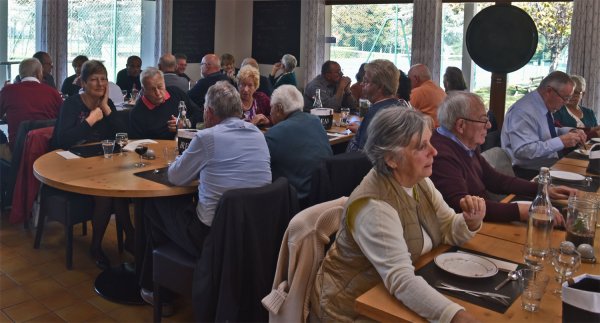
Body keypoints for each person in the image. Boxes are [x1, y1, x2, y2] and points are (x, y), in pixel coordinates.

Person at [311, 107, 485, 322]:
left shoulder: (420, 181)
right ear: (392, 159)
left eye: (430, 142)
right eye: (422, 146)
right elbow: (401, 280)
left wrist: (470, 221)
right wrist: (455, 316)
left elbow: (448, 227)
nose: (434, 151)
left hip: (389, 294)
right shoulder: (373, 206)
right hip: (352, 310)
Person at [139, 80, 271, 307]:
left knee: (153, 203)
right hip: (253, 232)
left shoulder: (207, 138)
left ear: (209, 112)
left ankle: (158, 289)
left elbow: (175, 177)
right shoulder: (257, 134)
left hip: (212, 236)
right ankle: (167, 278)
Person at [431, 91, 574, 223]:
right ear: (461, 125)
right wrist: (525, 211)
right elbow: (461, 206)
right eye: (483, 120)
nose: (489, 125)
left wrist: (543, 189)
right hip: (467, 228)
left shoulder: (465, 142)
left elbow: (495, 180)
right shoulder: (440, 154)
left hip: (480, 220)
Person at [50, 60, 133, 269]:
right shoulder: (71, 104)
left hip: (99, 163)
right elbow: (63, 141)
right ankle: (99, 246)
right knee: (107, 195)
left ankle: (131, 237)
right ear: (83, 82)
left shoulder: (106, 104)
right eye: (94, 79)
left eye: (103, 79)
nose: (100, 84)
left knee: (118, 190)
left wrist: (105, 108)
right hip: (70, 165)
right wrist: (90, 120)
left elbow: (123, 134)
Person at [501, 71, 587, 179]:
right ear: (549, 91)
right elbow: (523, 150)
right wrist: (561, 141)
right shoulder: (523, 111)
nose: (566, 102)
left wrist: (569, 132)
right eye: (565, 98)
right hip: (527, 173)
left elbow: (543, 132)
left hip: (545, 167)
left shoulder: (541, 104)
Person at [265, 85, 332, 203]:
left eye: (271, 108)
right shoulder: (316, 120)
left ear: (279, 108)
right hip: (323, 196)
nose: (270, 113)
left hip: (296, 202)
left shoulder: (274, 134)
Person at [0, 58, 62, 161]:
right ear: (39, 73)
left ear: (20, 74)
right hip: (48, 151)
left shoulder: (8, 91)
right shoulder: (53, 92)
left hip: (17, 151)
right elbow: (63, 118)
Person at [346, 59, 407, 152]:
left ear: (380, 87)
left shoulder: (375, 113)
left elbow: (362, 153)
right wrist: (361, 130)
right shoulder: (401, 106)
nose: (362, 84)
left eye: (366, 81)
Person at [129, 67, 201, 140]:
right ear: (143, 90)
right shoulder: (137, 112)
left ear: (164, 83)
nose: (158, 93)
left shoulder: (176, 93)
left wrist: (186, 123)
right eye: (152, 89)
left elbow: (199, 114)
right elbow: (137, 144)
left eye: (160, 87)